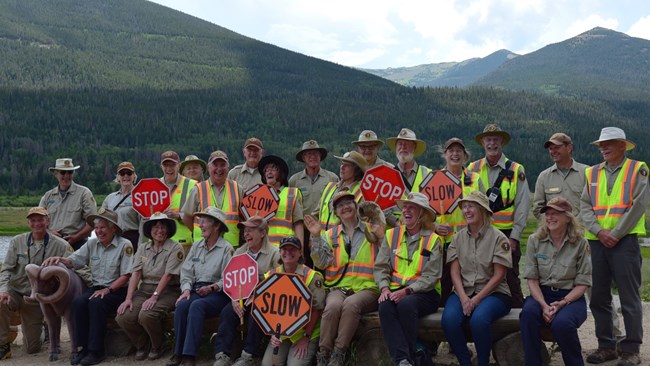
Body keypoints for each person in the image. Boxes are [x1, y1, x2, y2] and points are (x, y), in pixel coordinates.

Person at [580, 127, 648, 366]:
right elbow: (584, 206)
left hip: (625, 242)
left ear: (622, 145)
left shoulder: (638, 169)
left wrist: (616, 234)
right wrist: (599, 231)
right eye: (601, 144)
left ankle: (631, 350)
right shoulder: (591, 173)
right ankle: (606, 346)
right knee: (598, 297)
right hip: (596, 241)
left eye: (609, 143)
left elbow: (639, 206)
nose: (603, 148)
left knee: (629, 298)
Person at [43, 208, 133, 366]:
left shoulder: (125, 245)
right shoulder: (92, 244)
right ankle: (82, 348)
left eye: (103, 227)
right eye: (97, 228)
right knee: (78, 303)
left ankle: (96, 351)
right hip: (97, 287)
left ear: (113, 228)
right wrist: (59, 259)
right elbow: (73, 261)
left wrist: (108, 290)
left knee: (96, 303)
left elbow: (126, 275)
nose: (99, 231)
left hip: (117, 290)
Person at [306, 190, 384, 366]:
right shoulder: (330, 235)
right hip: (338, 287)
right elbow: (321, 263)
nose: (345, 207)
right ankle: (323, 354)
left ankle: (339, 354)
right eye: (340, 205)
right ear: (336, 212)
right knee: (332, 307)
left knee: (351, 305)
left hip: (368, 287)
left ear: (356, 207)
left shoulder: (372, 230)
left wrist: (382, 238)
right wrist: (316, 236)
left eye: (349, 202)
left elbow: (387, 257)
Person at [441, 190, 512, 366]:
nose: (467, 211)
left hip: (494, 293)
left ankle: (482, 362)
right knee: (448, 320)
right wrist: (464, 298)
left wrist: (476, 300)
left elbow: (499, 275)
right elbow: (455, 272)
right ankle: (465, 361)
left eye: (471, 206)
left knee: (479, 320)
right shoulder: (457, 238)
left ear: (483, 210)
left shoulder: (498, 237)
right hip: (463, 292)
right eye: (464, 207)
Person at [521, 197, 592, 366]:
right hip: (541, 294)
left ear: (568, 217)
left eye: (555, 214)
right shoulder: (534, 240)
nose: (550, 218)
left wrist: (562, 303)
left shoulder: (581, 243)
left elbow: (583, 283)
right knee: (528, 315)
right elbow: (532, 280)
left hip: (570, 298)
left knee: (562, 324)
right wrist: (544, 306)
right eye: (547, 214)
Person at [374, 192, 442, 366]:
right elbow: (381, 267)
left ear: (423, 214)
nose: (406, 211)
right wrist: (384, 289)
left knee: (406, 304)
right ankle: (404, 360)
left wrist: (407, 291)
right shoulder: (391, 235)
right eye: (405, 207)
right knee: (385, 307)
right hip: (396, 290)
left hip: (425, 292)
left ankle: (411, 355)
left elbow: (431, 277)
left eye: (412, 208)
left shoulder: (434, 240)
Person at [467, 124, 530, 308]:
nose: (492, 143)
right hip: (479, 234)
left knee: (510, 280)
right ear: (482, 143)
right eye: (488, 139)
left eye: (495, 139)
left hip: (506, 235)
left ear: (502, 141)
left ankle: (519, 325)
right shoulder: (472, 168)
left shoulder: (517, 170)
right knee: (479, 280)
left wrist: (515, 237)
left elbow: (522, 206)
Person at [0, 207, 73, 360]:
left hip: (36, 299)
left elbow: (76, 265)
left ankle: (42, 330)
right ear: (28, 223)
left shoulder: (61, 245)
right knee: (0, 301)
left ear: (48, 221)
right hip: (15, 291)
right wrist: (4, 290)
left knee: (32, 349)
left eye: (40, 220)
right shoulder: (17, 241)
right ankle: (3, 345)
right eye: (33, 220)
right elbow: (6, 269)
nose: (37, 223)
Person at [167, 207, 233, 366]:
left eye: (204, 222)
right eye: (200, 221)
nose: (200, 225)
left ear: (216, 226)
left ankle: (190, 356)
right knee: (182, 305)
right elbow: (186, 271)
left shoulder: (227, 249)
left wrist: (212, 288)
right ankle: (178, 354)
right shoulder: (196, 246)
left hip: (217, 294)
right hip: (196, 289)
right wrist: (186, 290)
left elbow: (229, 280)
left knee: (197, 306)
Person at [115, 213, 184, 361]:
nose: (160, 230)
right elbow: (136, 273)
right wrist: (128, 298)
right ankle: (142, 344)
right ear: (149, 230)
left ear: (168, 229)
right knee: (123, 316)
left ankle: (158, 345)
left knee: (147, 315)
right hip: (145, 288)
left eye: (163, 226)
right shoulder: (143, 248)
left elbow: (168, 275)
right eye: (156, 227)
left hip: (168, 290)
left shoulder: (175, 247)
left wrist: (155, 296)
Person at [213, 215, 280, 366]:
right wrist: (234, 300)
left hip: (263, 299)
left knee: (256, 312)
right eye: (245, 230)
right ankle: (223, 355)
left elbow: (278, 282)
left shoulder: (275, 253)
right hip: (240, 298)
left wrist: (256, 296)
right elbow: (231, 280)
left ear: (263, 233)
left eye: (251, 230)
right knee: (227, 312)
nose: (246, 234)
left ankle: (249, 355)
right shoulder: (239, 252)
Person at [433, 138, 484, 306]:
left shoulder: (475, 179)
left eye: (459, 151)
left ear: (465, 155)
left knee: (471, 283)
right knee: (444, 284)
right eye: (451, 151)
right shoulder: (435, 179)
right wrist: (434, 226)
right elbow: (425, 213)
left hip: (471, 241)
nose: (455, 154)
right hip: (444, 243)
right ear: (445, 154)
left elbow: (484, 210)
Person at [260, 236, 325, 366]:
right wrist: (273, 333)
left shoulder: (312, 276)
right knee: (268, 364)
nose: (288, 252)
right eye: (284, 249)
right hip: (282, 334)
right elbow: (268, 309)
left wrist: (306, 338)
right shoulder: (271, 276)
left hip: (305, 332)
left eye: (293, 249)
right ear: (279, 252)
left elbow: (317, 309)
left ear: (300, 252)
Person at [289, 140, 339, 267]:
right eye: (309, 154)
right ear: (303, 158)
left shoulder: (331, 178)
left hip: (323, 230)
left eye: (316, 154)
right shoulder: (294, 180)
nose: (313, 157)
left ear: (320, 156)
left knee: (323, 263)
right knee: (302, 265)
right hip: (302, 232)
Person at [182, 150, 243, 248]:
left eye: (222, 165)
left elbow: (243, 217)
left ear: (228, 168)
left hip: (231, 248)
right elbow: (186, 217)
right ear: (209, 168)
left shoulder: (237, 188)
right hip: (204, 246)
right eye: (215, 165)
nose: (219, 169)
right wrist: (201, 231)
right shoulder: (198, 189)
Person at [39, 158, 97, 250]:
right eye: (63, 172)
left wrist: (75, 237)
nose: (66, 176)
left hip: (78, 245)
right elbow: (38, 221)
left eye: (70, 172)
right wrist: (48, 232)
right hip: (51, 244)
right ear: (55, 174)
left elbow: (93, 222)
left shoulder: (84, 193)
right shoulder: (48, 196)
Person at [533, 133, 588, 218]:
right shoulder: (543, 177)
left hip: (582, 229)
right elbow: (537, 209)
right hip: (554, 230)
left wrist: (575, 224)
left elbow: (592, 204)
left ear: (569, 148)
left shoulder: (587, 172)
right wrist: (554, 222)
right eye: (551, 149)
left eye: (557, 148)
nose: (553, 151)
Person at [385, 128, 431, 227]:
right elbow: (382, 207)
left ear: (414, 148)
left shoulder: (428, 174)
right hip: (395, 233)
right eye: (400, 144)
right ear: (396, 148)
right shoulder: (387, 176)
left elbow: (434, 204)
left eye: (407, 144)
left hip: (423, 230)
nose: (403, 147)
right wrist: (396, 223)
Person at [258, 155, 305, 247]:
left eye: (274, 169)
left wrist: (300, 248)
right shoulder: (259, 195)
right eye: (266, 170)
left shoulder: (292, 193)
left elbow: (298, 224)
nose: (269, 172)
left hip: (287, 248)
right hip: (265, 249)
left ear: (281, 174)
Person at [315, 151, 367, 231]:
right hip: (323, 241)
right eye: (342, 163)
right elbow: (316, 214)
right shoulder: (330, 187)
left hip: (344, 241)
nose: (342, 167)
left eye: (347, 165)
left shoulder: (362, 193)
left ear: (357, 170)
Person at [159, 150, 198, 251]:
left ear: (179, 166)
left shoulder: (193, 185)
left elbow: (199, 217)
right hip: (159, 244)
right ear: (161, 167)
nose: (169, 169)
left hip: (184, 245)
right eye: (166, 165)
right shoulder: (154, 186)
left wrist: (178, 216)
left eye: (172, 165)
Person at [99, 161, 141, 248]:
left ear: (134, 177)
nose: (126, 176)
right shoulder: (110, 198)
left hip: (133, 239)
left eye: (129, 173)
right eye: (122, 173)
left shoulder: (140, 197)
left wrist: (141, 246)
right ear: (118, 178)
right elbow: (101, 220)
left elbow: (143, 224)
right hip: (112, 239)